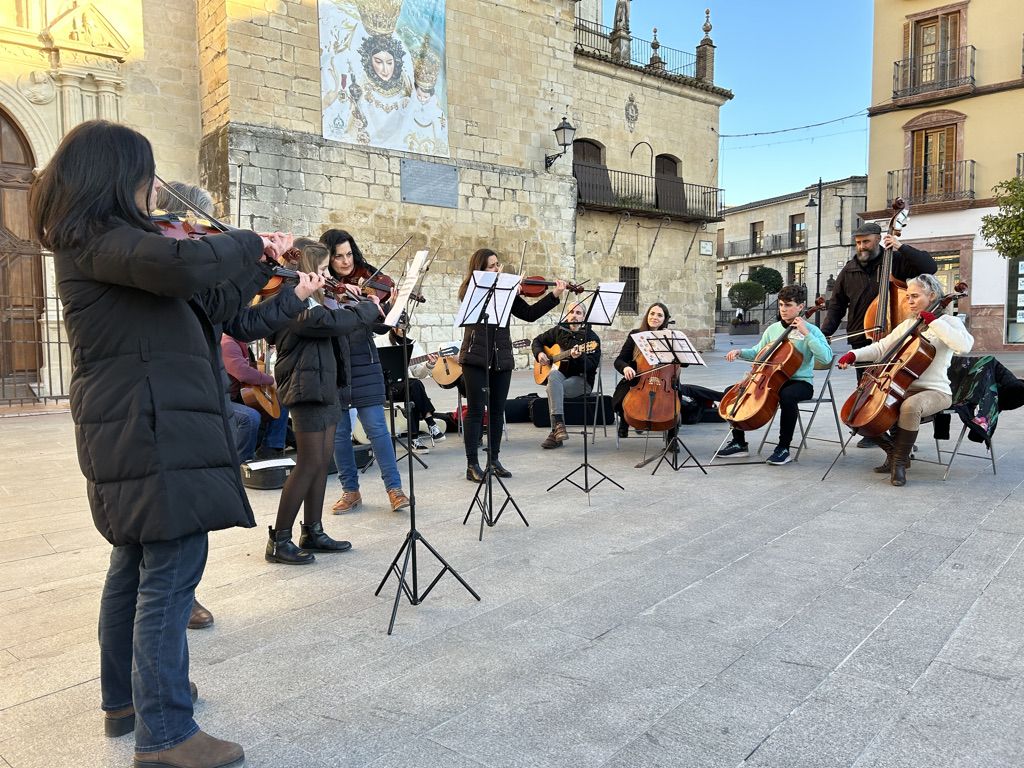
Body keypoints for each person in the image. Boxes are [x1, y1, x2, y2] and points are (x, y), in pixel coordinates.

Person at [29, 120, 294, 767]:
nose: (153, 191)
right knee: (169, 578)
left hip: (142, 427)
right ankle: (167, 733)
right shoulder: (104, 240)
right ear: (116, 176)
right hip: (148, 430)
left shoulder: (114, 247)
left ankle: (130, 702)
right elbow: (181, 264)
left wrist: (264, 270)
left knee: (135, 570)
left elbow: (214, 302)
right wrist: (249, 238)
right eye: (145, 175)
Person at [269, 241, 382, 563]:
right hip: (306, 388)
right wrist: (368, 307)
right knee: (307, 464)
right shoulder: (294, 301)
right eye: (320, 271)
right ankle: (279, 539)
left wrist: (350, 300)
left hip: (325, 385)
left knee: (320, 464)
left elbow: (337, 319)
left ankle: (313, 530)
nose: (326, 278)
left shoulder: (319, 301)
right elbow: (334, 325)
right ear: (305, 271)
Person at [837, 274, 974, 486]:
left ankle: (899, 462)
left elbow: (964, 345)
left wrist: (935, 322)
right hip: (902, 387)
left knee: (910, 406)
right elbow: (882, 347)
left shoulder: (949, 322)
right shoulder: (908, 325)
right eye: (908, 296)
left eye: (915, 296)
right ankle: (893, 453)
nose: (909, 300)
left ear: (932, 295)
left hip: (935, 391)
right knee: (860, 413)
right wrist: (854, 355)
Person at [820, 221, 937, 448]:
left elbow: (929, 267)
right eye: (858, 243)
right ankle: (872, 429)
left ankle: (900, 436)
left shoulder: (895, 260)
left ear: (877, 239)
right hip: (862, 336)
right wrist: (826, 332)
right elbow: (837, 305)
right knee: (867, 386)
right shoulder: (849, 269)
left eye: (866, 242)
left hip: (895, 337)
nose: (862, 247)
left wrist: (901, 246)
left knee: (895, 388)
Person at [320, 229, 411, 513]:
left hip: (364, 360)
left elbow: (380, 327)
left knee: (377, 429)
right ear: (327, 258)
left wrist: (392, 307)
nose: (345, 262)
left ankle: (394, 489)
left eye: (349, 254)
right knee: (339, 433)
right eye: (338, 257)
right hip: (334, 362)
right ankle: (350, 491)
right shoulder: (321, 283)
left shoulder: (368, 278)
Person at [457, 248, 566, 481]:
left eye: (498, 264)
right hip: (475, 356)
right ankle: (471, 464)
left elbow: (529, 313)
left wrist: (554, 295)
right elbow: (472, 310)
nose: (498, 269)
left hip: (501, 357)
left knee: (497, 411)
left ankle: (493, 459)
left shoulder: (506, 290)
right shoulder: (471, 289)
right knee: (476, 410)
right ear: (480, 269)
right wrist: (502, 292)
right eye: (492, 266)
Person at [716, 285, 833, 466]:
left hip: (800, 382)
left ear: (800, 307)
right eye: (780, 305)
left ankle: (783, 448)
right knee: (731, 392)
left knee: (787, 396)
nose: (783, 309)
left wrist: (806, 333)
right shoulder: (773, 329)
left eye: (788, 305)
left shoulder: (812, 331)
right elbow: (758, 353)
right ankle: (739, 443)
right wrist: (740, 351)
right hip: (772, 379)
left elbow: (826, 357)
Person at [531, 301, 601, 449]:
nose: (574, 316)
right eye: (571, 312)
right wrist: (540, 354)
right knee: (553, 378)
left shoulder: (591, 339)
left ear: (584, 316)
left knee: (553, 387)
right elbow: (537, 341)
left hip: (582, 380)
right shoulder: (559, 330)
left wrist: (579, 357)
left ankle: (555, 431)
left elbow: (591, 366)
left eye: (578, 313)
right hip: (561, 375)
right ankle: (559, 427)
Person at [221, 332, 290, 459]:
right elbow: (242, 372)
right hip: (225, 399)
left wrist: (264, 358)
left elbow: (250, 368)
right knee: (251, 416)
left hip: (240, 396)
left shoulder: (241, 344)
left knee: (282, 399)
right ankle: (242, 461)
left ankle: (270, 448)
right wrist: (270, 380)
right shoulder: (228, 343)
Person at [612, 302, 672, 441]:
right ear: (647, 316)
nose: (655, 317)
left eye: (659, 315)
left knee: (676, 400)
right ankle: (626, 420)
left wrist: (670, 342)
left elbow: (684, 363)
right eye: (652, 313)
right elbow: (620, 360)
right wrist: (625, 367)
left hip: (664, 381)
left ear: (665, 319)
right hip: (639, 379)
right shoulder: (636, 335)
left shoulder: (669, 337)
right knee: (619, 398)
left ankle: (672, 436)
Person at [384, 326, 446, 452]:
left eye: (405, 326)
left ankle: (416, 438)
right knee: (414, 388)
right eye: (399, 326)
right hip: (384, 386)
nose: (402, 329)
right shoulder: (381, 340)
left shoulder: (413, 344)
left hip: (405, 385)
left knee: (415, 387)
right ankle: (428, 425)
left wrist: (430, 364)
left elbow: (418, 373)